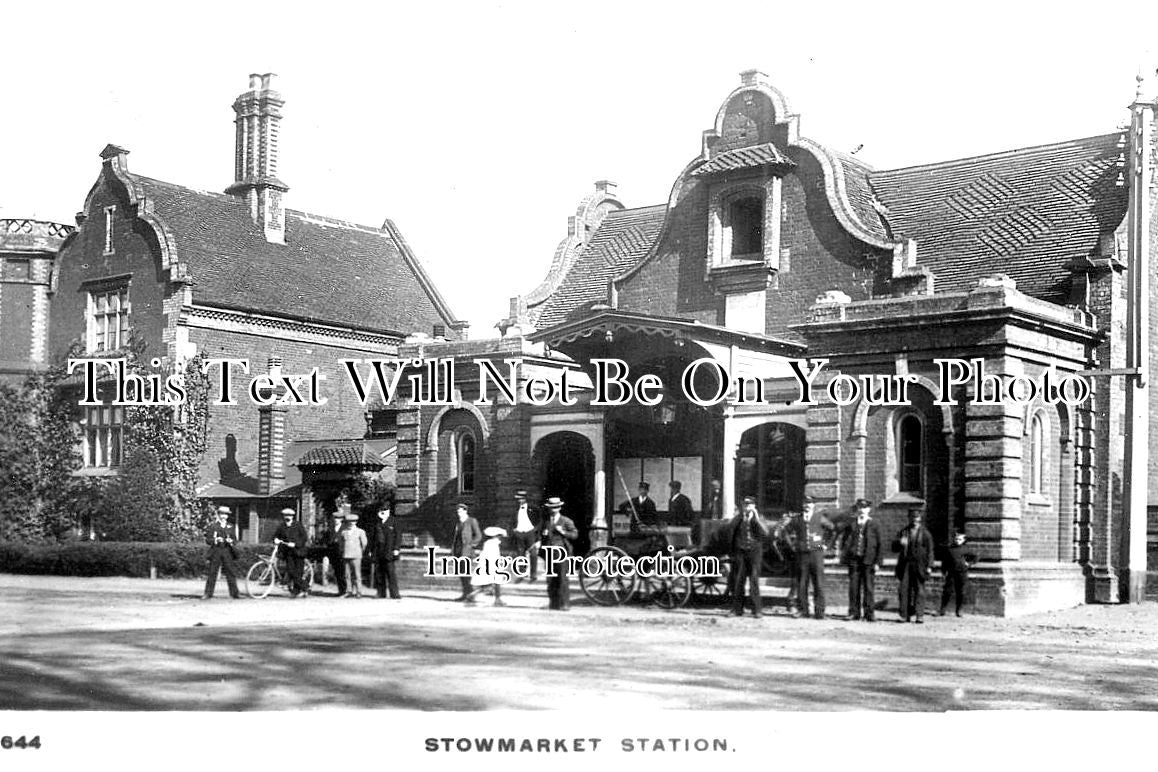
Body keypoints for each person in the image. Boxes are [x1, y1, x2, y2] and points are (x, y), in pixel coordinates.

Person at [788, 496, 833, 619]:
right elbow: (786, 531)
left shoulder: (820, 518)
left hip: (816, 554)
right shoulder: (797, 519)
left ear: (814, 505)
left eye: (810, 503)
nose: (807, 505)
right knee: (802, 583)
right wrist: (792, 545)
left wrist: (825, 545)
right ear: (802, 505)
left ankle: (819, 612)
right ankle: (803, 610)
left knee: (818, 583)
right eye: (805, 503)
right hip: (802, 554)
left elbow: (832, 530)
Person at [841, 499, 882, 621]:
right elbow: (845, 541)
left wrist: (878, 562)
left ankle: (869, 613)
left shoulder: (874, 524)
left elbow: (880, 544)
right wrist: (846, 556)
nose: (862, 510)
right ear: (857, 509)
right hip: (854, 560)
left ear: (868, 509)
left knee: (868, 588)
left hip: (869, 561)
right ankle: (854, 612)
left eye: (864, 508)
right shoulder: (852, 524)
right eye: (860, 508)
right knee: (853, 588)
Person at [728, 496, 768, 618]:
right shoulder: (739, 518)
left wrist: (756, 518)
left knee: (754, 581)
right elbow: (731, 531)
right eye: (745, 505)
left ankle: (757, 610)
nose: (746, 507)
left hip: (754, 553)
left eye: (749, 505)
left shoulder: (759, 518)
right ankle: (737, 609)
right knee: (739, 581)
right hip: (741, 552)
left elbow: (765, 533)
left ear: (754, 506)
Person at [540, 497, 578, 610]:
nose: (553, 510)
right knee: (551, 579)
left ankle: (565, 603)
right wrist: (543, 535)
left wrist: (563, 532)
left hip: (562, 553)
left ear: (560, 507)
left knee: (562, 578)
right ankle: (553, 603)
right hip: (549, 552)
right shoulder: (546, 522)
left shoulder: (566, 521)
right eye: (551, 507)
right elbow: (542, 536)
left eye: (556, 507)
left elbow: (575, 534)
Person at [202, 506, 241, 599]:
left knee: (230, 572)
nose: (224, 516)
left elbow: (235, 540)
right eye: (222, 514)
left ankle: (234, 593)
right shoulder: (213, 526)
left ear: (228, 516)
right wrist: (215, 540)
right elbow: (208, 540)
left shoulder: (231, 526)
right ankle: (208, 593)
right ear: (218, 515)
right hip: (216, 551)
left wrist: (230, 541)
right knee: (212, 572)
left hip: (227, 551)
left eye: (226, 515)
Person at [272, 507, 310, 597]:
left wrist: (296, 544)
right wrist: (275, 540)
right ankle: (304, 588)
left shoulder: (298, 525)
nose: (287, 517)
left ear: (293, 517)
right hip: (289, 553)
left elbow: (304, 538)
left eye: (289, 516)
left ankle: (297, 591)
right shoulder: (281, 526)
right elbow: (275, 536)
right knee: (291, 572)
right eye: (285, 516)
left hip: (299, 552)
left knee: (298, 573)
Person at [467, 526, 508, 606]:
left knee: (488, 584)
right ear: (497, 536)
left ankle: (472, 595)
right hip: (491, 565)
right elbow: (493, 556)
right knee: (496, 582)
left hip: (487, 565)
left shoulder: (489, 543)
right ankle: (497, 599)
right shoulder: (493, 544)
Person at [939, 531, 977, 617]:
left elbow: (975, 557)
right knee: (947, 591)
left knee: (961, 592)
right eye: (956, 539)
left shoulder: (966, 549)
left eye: (959, 539)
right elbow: (945, 561)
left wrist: (969, 564)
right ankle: (942, 609)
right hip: (951, 573)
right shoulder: (950, 549)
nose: (957, 540)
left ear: (963, 540)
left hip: (962, 572)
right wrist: (943, 571)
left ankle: (959, 610)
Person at [451, 502, 482, 601]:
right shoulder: (458, 523)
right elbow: (456, 538)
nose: (459, 513)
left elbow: (478, 535)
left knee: (465, 573)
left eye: (460, 511)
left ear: (465, 511)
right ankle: (466, 593)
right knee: (461, 573)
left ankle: (470, 594)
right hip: (458, 551)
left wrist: (471, 545)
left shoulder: (471, 521)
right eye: (457, 511)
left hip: (466, 552)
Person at [370, 506, 401, 599]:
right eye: (381, 510)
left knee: (391, 573)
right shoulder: (377, 522)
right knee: (379, 573)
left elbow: (398, 536)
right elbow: (372, 537)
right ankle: (380, 593)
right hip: (378, 551)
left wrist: (396, 548)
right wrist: (371, 550)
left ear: (388, 511)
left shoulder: (394, 521)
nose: (382, 512)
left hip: (389, 551)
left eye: (384, 510)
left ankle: (394, 593)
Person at [509, 489, 540, 582]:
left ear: (525, 499)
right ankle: (522, 574)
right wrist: (514, 530)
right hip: (519, 533)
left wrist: (535, 529)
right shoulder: (516, 509)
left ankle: (533, 575)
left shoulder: (533, 508)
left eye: (521, 499)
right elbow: (512, 522)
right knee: (520, 554)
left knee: (533, 554)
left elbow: (539, 520)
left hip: (530, 533)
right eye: (518, 499)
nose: (519, 500)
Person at [339, 513, 368, 598]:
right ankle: (349, 591)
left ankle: (359, 591)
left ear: (356, 522)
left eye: (353, 521)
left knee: (357, 574)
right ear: (347, 522)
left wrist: (360, 552)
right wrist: (342, 551)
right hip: (346, 555)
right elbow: (341, 544)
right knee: (347, 575)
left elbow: (364, 544)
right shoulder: (344, 532)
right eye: (349, 521)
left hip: (356, 556)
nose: (351, 523)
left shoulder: (360, 532)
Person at [327, 513, 347, 596]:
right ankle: (340, 591)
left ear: (341, 519)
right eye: (335, 518)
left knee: (343, 573)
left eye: (338, 518)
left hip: (342, 553)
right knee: (337, 573)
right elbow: (328, 540)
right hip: (334, 553)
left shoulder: (345, 529)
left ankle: (345, 590)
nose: (336, 520)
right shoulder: (331, 529)